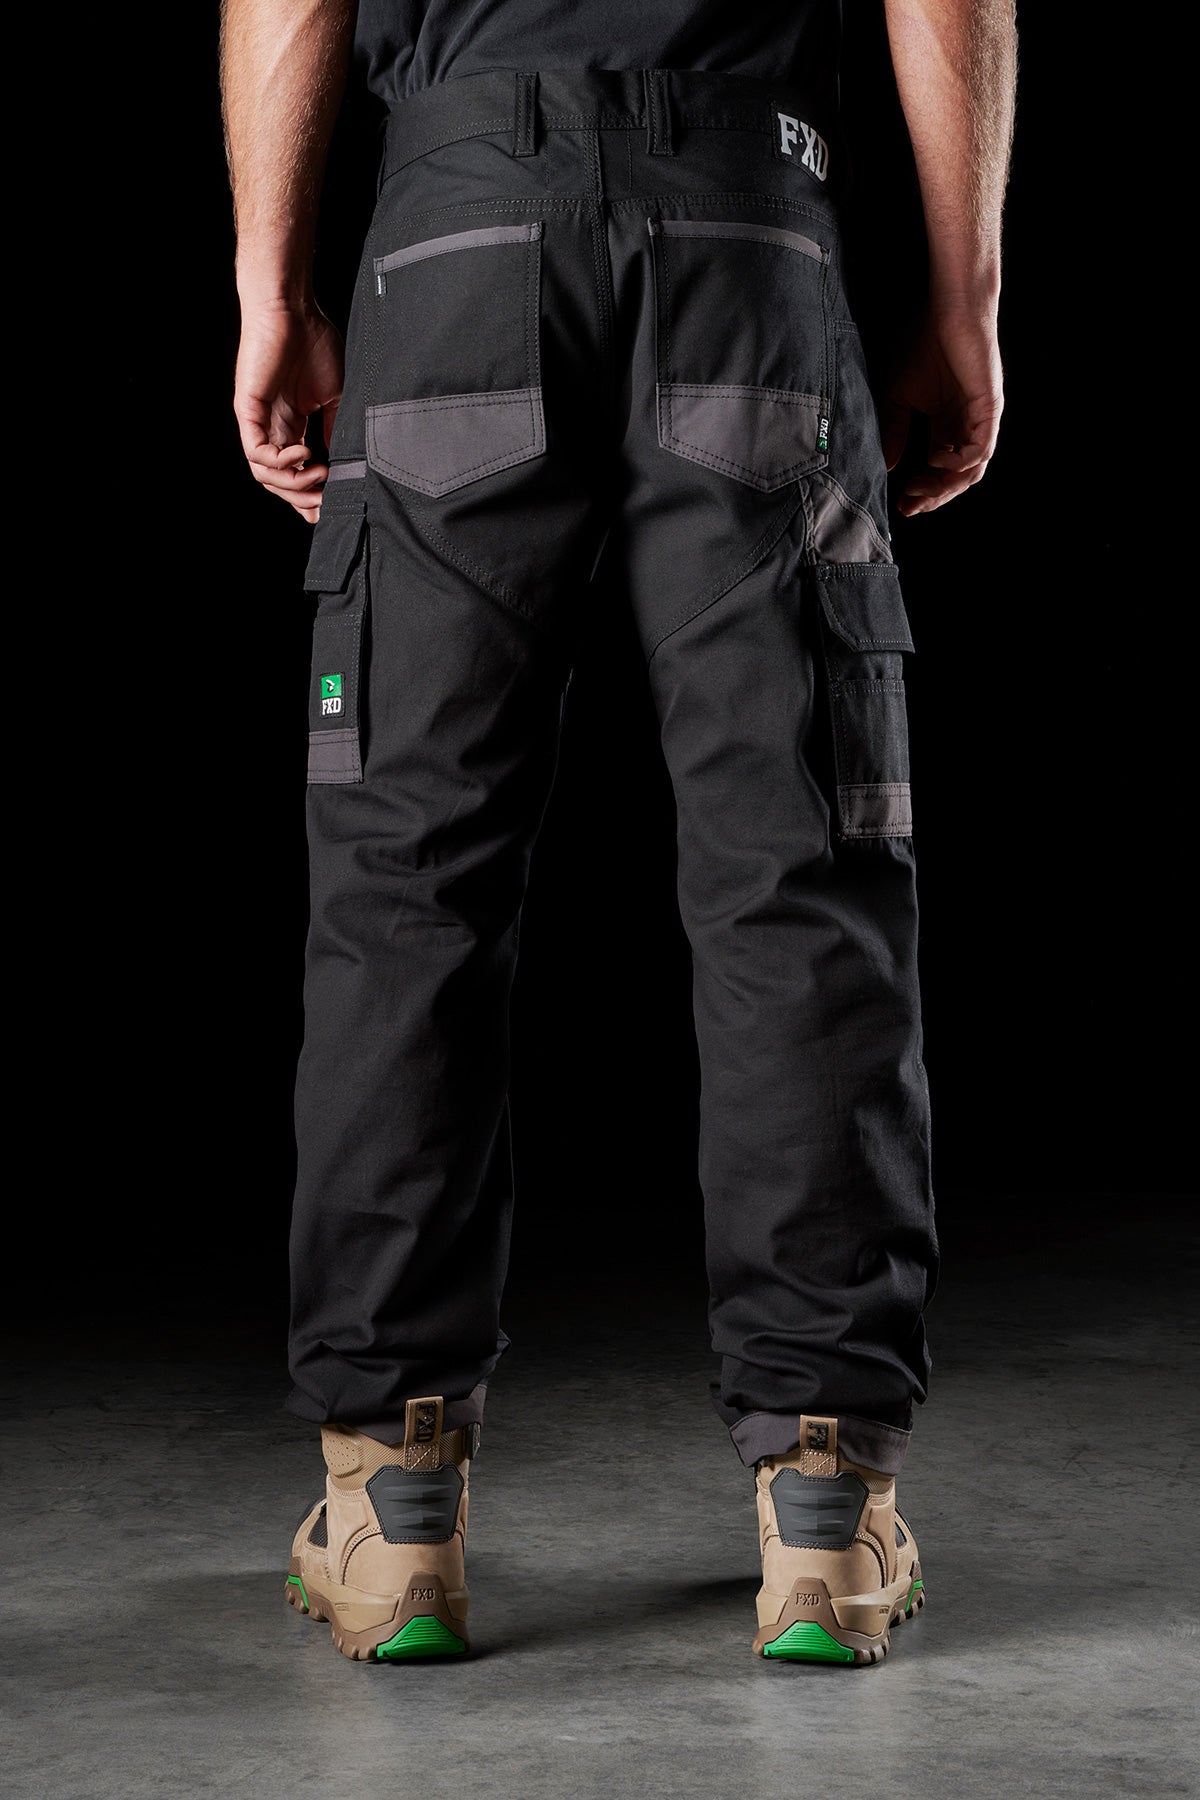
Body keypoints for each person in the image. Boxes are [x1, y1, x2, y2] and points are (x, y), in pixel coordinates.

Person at [221, 0, 1015, 1665]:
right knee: (800, 870)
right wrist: (964, 295)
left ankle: (392, 1506)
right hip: (749, 220)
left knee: (407, 879)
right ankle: (825, 1504)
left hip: (455, 233)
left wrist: (271, 283)